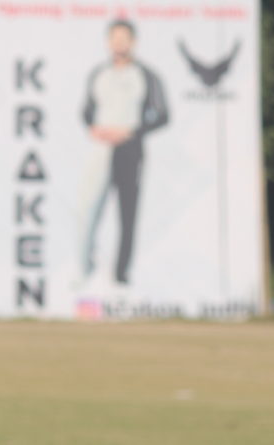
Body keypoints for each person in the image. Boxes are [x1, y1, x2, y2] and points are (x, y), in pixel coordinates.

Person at [81, 19, 169, 287]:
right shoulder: (99, 73)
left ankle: (121, 275)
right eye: (114, 38)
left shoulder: (147, 75)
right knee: (89, 208)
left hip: (131, 150)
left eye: (124, 38)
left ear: (133, 42)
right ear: (109, 42)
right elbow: (87, 110)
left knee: (127, 214)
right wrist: (94, 127)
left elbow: (162, 114)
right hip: (101, 149)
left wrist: (131, 132)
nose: (119, 43)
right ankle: (86, 267)